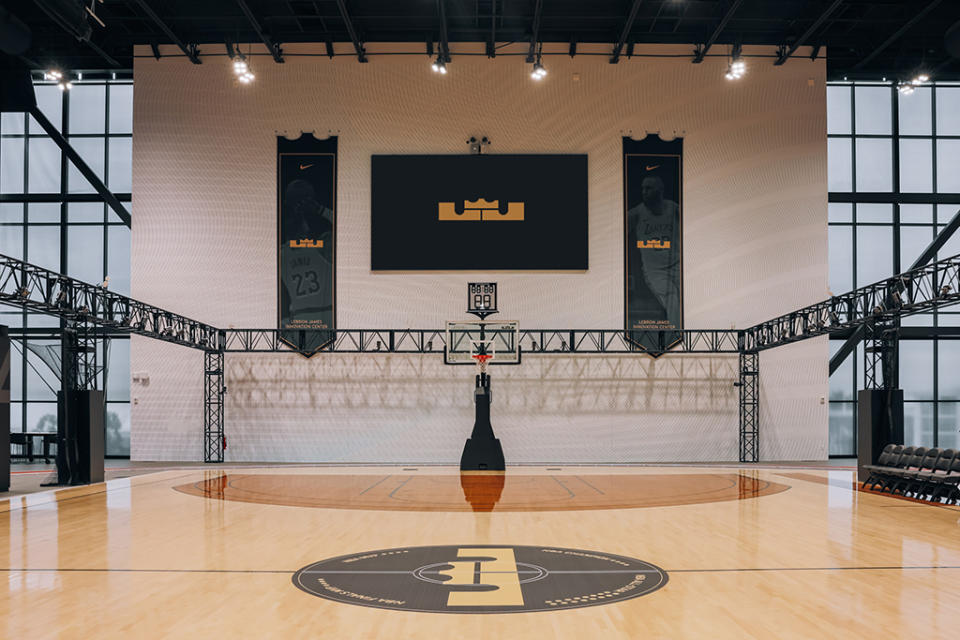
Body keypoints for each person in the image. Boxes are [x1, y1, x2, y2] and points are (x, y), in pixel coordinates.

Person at [626, 174, 681, 329]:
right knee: (671, 297)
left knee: (688, 299)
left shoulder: (674, 208)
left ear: (660, 190)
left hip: (678, 265)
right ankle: (676, 332)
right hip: (655, 271)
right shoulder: (637, 213)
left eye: (648, 188)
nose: (644, 192)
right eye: (643, 188)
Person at [280, 178, 334, 330]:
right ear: (305, 229)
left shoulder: (280, 255)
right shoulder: (321, 247)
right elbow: (348, 227)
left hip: (299, 319)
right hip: (327, 318)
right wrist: (321, 210)